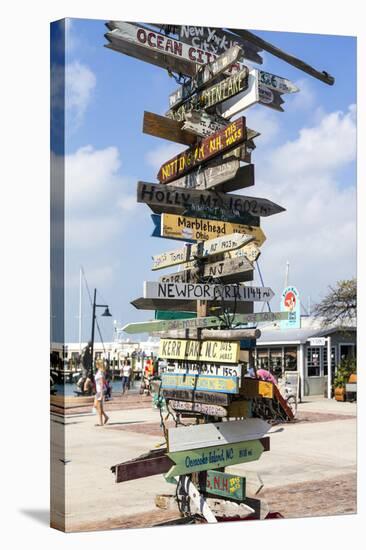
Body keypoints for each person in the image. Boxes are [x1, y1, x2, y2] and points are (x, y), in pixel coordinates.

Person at [94, 360, 109, 426]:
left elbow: (102, 383)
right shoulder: (99, 371)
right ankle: (105, 417)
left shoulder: (100, 372)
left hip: (100, 390)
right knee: (95, 405)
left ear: (98, 364)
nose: (95, 365)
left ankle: (101, 422)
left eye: (96, 364)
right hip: (98, 390)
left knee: (99, 406)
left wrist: (102, 394)